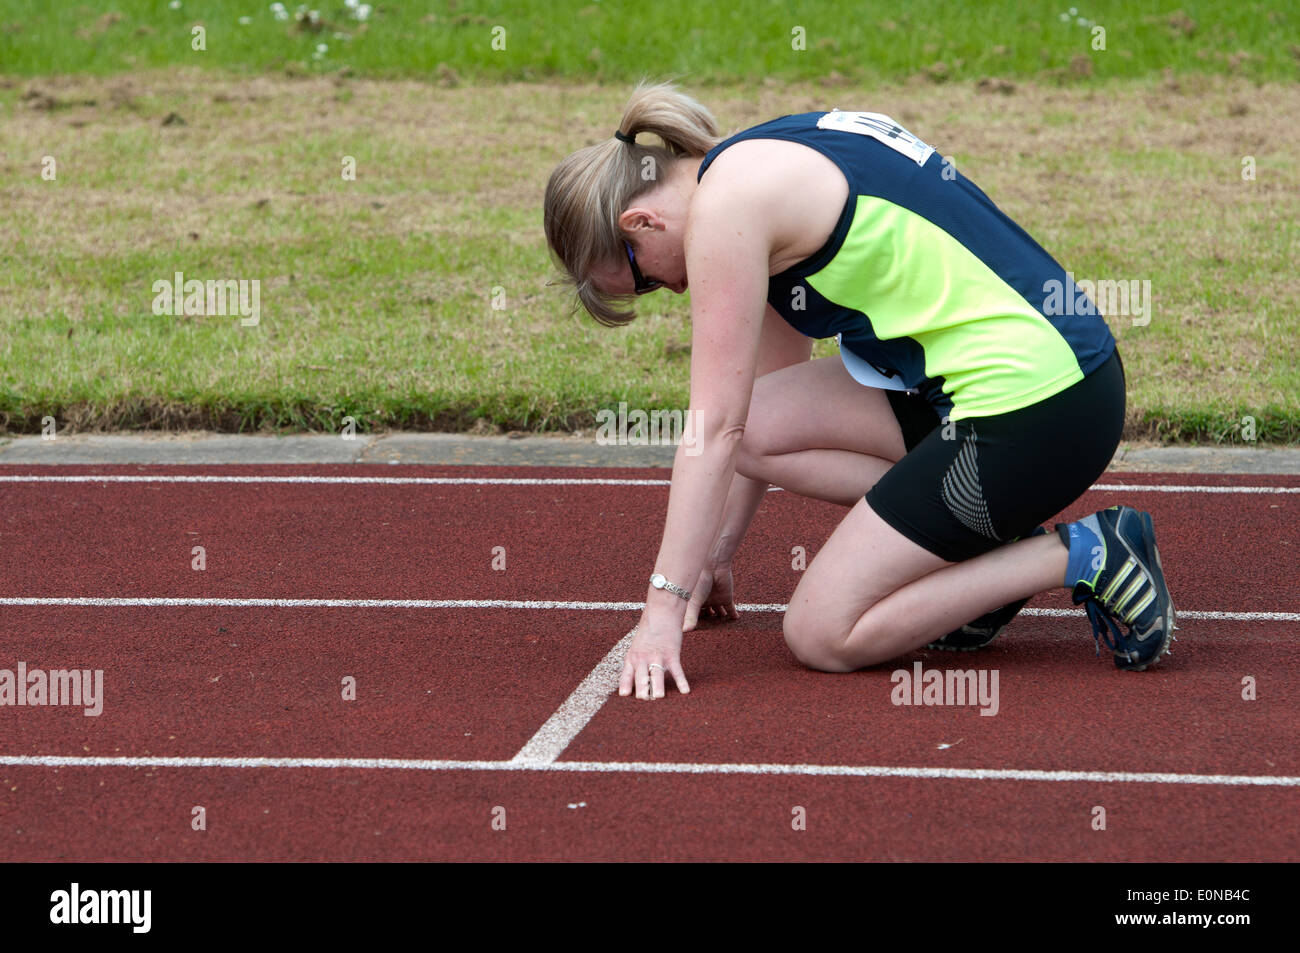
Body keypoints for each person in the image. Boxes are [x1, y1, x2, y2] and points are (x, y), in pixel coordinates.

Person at [543, 82, 1176, 701]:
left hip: (1043, 406)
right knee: (764, 426)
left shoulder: (725, 212)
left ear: (640, 221)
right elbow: (754, 414)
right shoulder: (750, 163)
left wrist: (662, 607)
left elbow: (712, 429)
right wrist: (710, 560)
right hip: (1019, 383)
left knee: (822, 633)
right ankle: (989, 548)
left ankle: (1083, 553)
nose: (672, 290)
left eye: (644, 280)